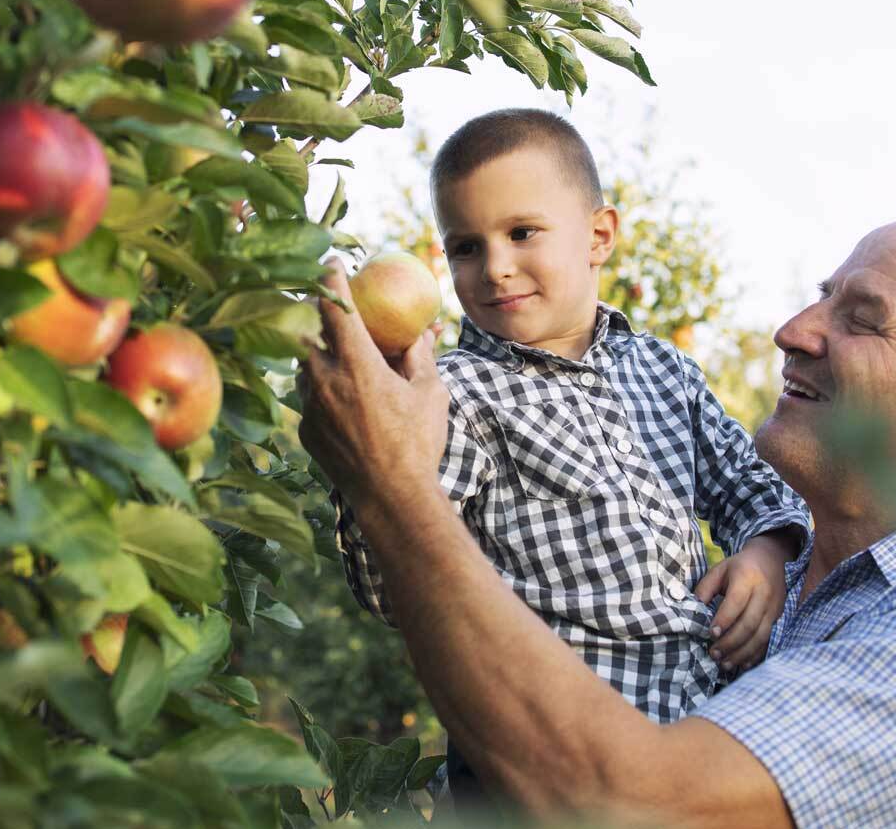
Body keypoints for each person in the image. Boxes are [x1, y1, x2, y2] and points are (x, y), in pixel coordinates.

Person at [298, 217, 896, 826]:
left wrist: (391, 483)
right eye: (821, 297)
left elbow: (630, 806)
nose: (792, 330)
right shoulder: (794, 578)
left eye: (863, 320)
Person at [331, 110, 810, 798]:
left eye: (522, 233)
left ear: (598, 236)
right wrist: (368, 440)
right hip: (543, 760)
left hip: (699, 737)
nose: (496, 267)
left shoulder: (664, 372)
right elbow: (390, 585)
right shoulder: (455, 394)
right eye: (465, 247)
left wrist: (769, 550)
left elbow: (750, 482)